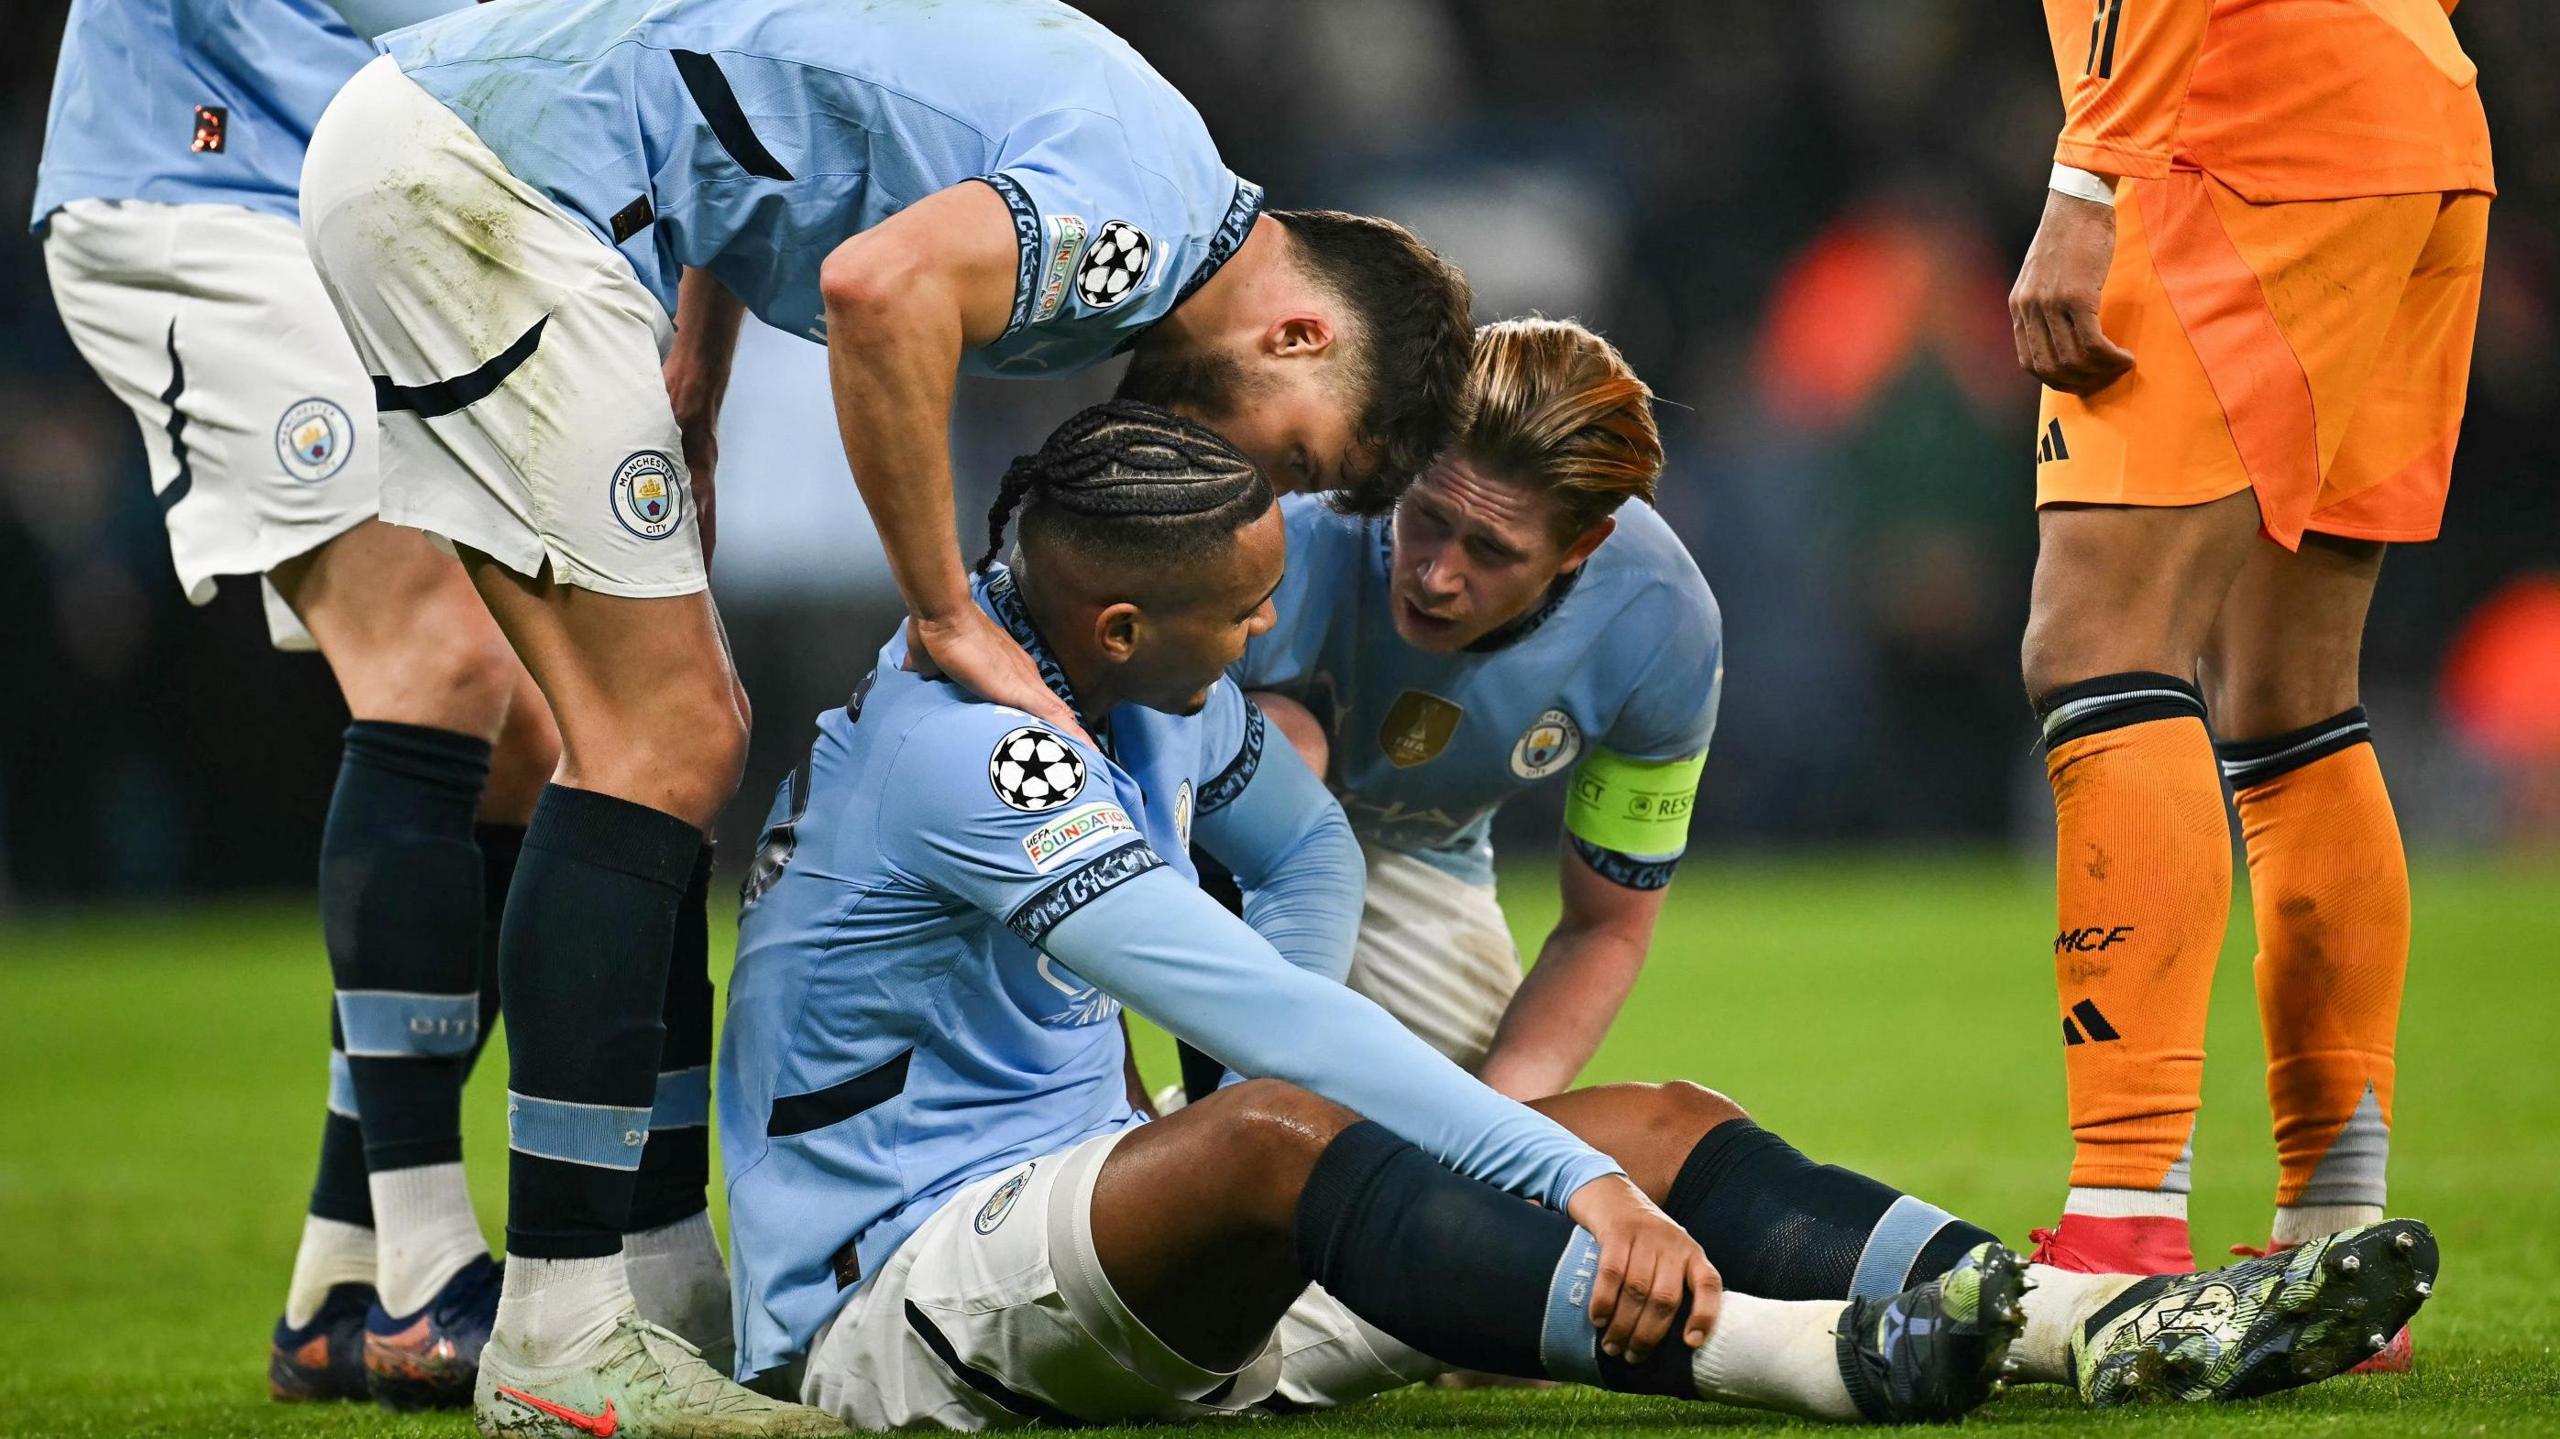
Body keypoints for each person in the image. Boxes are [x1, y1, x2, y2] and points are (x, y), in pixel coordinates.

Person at [720, 401, 2436, 1435]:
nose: (1263, 634)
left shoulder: (1140, 693)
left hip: (1108, 1231)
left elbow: (1308, 868)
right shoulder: (970, 758)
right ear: (1111, 623)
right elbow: (1273, 1022)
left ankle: (2096, 1321)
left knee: (1666, 1120)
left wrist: (1575, 1151)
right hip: (905, 1299)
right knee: (1290, 1133)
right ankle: (1813, 1360)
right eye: (1240, 614)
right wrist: (1557, 1177)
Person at [295, 2, 1473, 1427]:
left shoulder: (1152, 155)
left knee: (658, 733)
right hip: (493, 175)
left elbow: (761, 104)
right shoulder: (1137, 233)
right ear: (1299, 331)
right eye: (1287, 452)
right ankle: (558, 1330)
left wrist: (704, 360)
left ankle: (654, 1284)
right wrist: (948, 609)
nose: (1238, 483)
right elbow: (876, 285)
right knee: (663, 739)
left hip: (482, 155)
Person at [30, 0, 593, 1410]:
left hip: (354, 206)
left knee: (529, 732)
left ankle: (342, 1280)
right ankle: (423, 1272)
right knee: (445, 663)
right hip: (200, 187)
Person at [2005, 0, 2493, 1363]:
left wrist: (2085, 180)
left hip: (2232, 146)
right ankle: (2335, 1224)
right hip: (2420, 131)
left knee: (2100, 641)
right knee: (2291, 693)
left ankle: (2118, 1225)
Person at [1210, 317, 1715, 1098]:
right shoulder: (1290, 525)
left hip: (1417, 858)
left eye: (1490, 550)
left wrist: (1499, 1127)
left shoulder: (1660, 624)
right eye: (1429, 519)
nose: (1437, 576)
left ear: (1580, 546)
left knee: (1453, 1162)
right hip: (1191, 835)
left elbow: (1606, 923)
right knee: (1284, 743)